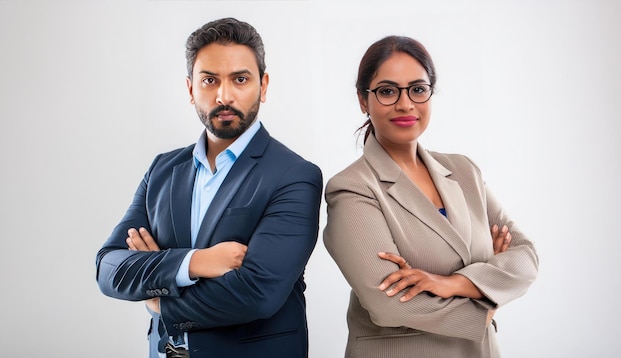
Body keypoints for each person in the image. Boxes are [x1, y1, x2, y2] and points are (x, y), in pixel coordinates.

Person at [96, 17, 323, 358]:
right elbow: (108, 268)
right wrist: (194, 262)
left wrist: (161, 302)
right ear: (191, 89)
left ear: (263, 85)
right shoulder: (162, 170)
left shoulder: (294, 175)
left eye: (240, 79)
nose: (224, 95)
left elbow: (257, 293)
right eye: (209, 80)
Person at [323, 35, 539, 357]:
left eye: (418, 89)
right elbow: (389, 304)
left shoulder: (464, 171)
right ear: (362, 100)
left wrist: (453, 283)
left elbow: (525, 257)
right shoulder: (353, 187)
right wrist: (488, 298)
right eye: (387, 91)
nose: (405, 104)